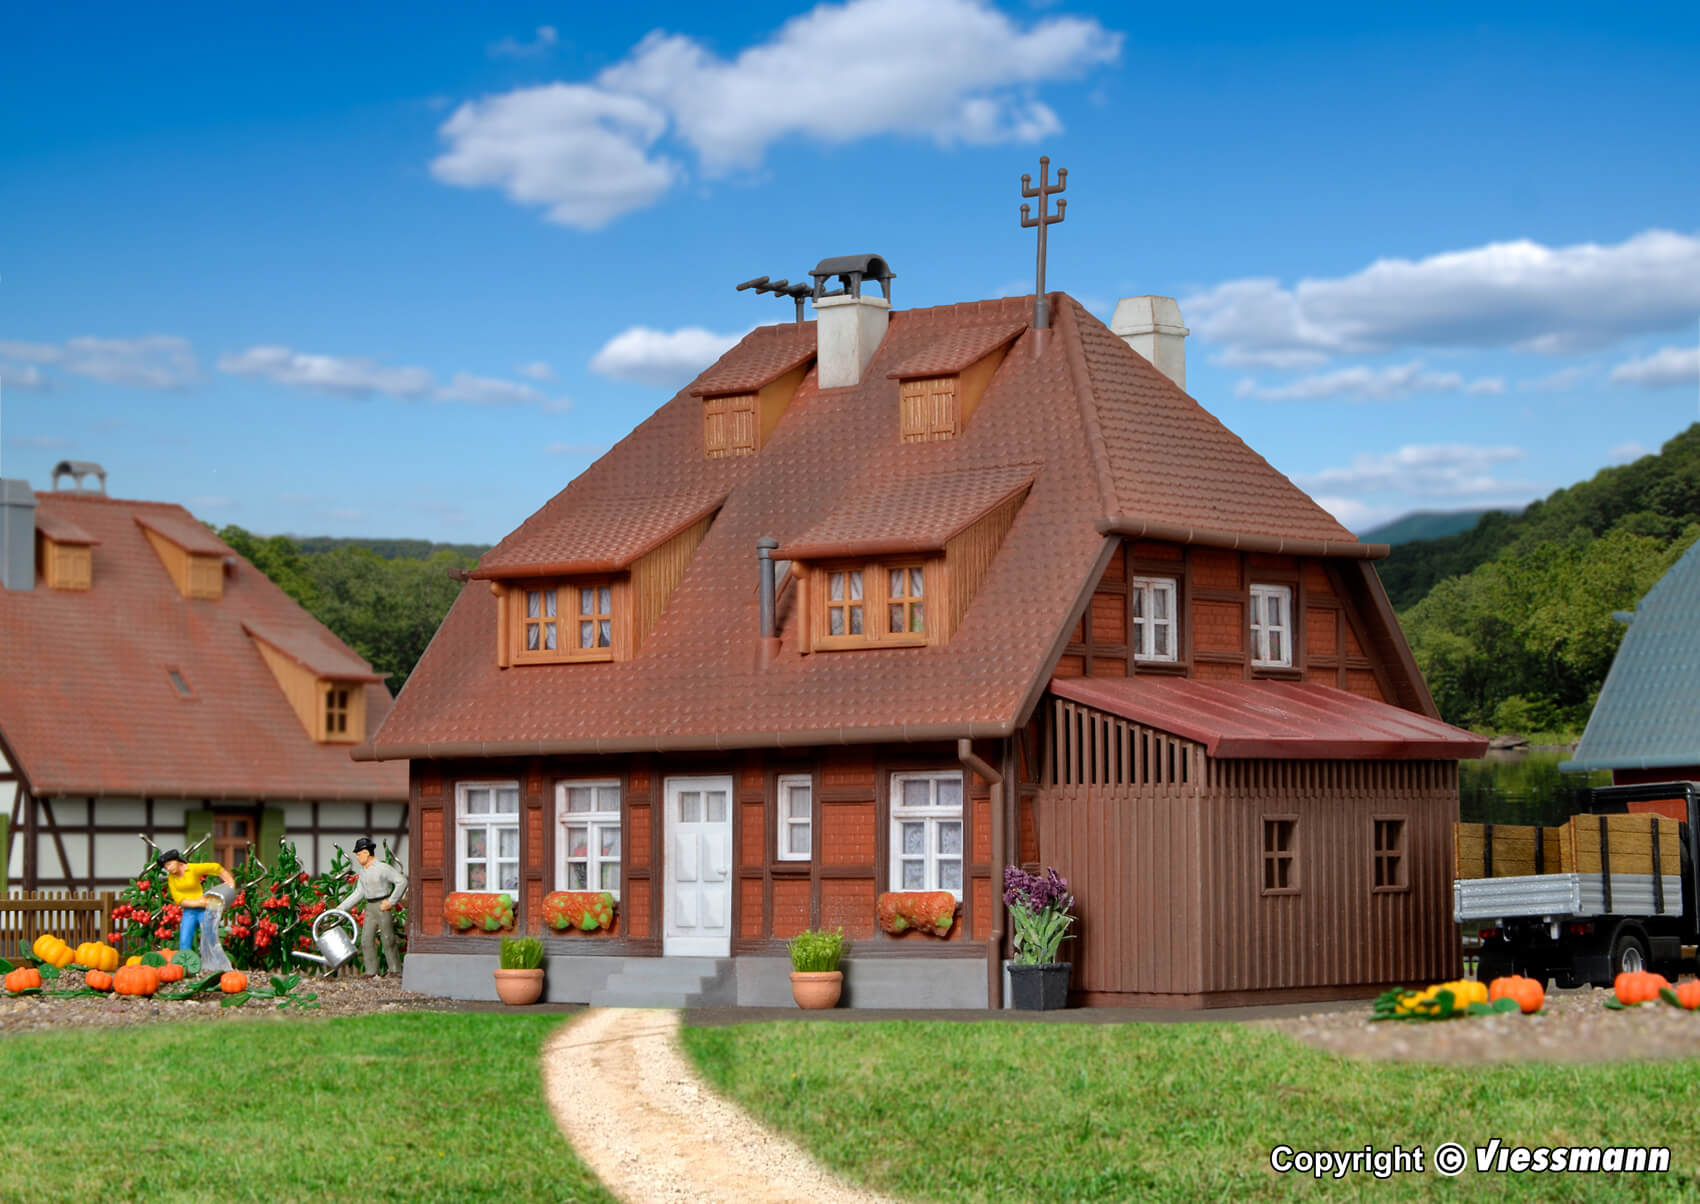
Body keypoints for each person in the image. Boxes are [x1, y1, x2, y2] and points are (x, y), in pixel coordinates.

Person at [336, 838, 408, 977]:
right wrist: (342, 907)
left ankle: (395, 970)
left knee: (388, 939)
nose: (357, 857)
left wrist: (391, 901)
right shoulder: (363, 872)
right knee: (366, 939)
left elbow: (402, 881)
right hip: (370, 907)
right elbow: (359, 893)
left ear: (366, 853)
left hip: (382, 906)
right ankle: (371, 971)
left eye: (359, 854)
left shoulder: (382, 868)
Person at [159, 850, 236, 954]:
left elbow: (215, 867)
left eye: (169, 864)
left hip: (203, 910)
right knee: (185, 938)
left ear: (177, 861)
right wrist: (197, 902)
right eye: (165, 867)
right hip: (189, 910)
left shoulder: (192, 869)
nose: (168, 868)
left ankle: (213, 963)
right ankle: (185, 964)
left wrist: (229, 881)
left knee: (210, 936)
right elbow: (178, 899)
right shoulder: (171, 878)